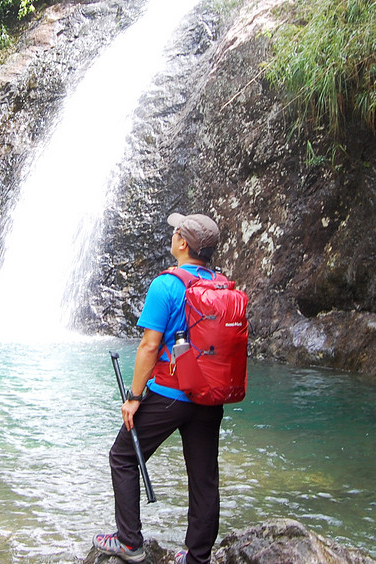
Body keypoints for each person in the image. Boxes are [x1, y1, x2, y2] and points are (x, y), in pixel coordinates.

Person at [94, 212, 226, 564]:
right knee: (203, 477)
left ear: (182, 243)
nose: (173, 236)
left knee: (122, 456)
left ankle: (129, 542)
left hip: (171, 394)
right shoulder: (221, 285)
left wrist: (134, 397)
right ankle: (197, 558)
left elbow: (149, 346)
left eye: (176, 232)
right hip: (210, 396)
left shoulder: (166, 285)